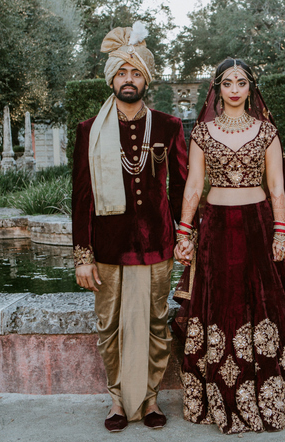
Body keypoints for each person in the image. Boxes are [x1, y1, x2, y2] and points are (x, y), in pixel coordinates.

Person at [171, 58, 285, 434]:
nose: (235, 89)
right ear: (217, 88)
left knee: (265, 304)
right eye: (228, 82)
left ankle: (271, 396)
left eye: (242, 82)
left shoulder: (266, 132)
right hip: (216, 232)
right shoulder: (203, 134)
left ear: (251, 88)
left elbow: (277, 186)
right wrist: (183, 233)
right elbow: (194, 186)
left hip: (258, 228)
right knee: (219, 307)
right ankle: (219, 398)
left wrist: (280, 232)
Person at [72, 22, 189, 432]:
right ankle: (118, 401)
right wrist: (83, 256)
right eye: (121, 72)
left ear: (146, 79)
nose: (128, 79)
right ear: (112, 78)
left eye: (135, 72)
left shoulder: (170, 126)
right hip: (107, 248)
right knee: (109, 326)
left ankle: (150, 398)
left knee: (157, 323)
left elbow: (180, 190)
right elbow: (82, 197)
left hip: (158, 245)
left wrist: (186, 236)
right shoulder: (89, 131)